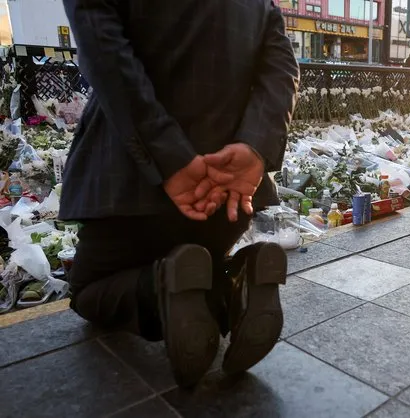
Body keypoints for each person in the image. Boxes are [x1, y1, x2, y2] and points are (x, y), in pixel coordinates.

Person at [60, 0, 299, 389]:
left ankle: (162, 288)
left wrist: (170, 158)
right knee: (203, 260)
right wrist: (255, 149)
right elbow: (282, 68)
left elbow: (106, 53)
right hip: (227, 190)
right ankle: (238, 281)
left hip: (127, 183)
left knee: (89, 291)